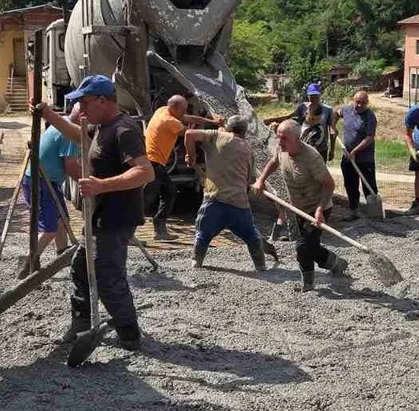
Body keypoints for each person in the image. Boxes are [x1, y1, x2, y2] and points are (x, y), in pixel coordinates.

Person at [39, 75, 154, 359]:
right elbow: (75, 134)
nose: (80, 107)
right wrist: (48, 114)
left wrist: (102, 185)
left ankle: (129, 333)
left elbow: (144, 172)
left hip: (116, 216)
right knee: (80, 268)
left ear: (103, 100)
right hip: (98, 214)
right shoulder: (101, 126)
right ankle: (81, 323)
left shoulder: (123, 129)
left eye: (84, 101)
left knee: (108, 276)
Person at [253, 120, 348, 292]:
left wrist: (320, 210)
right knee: (309, 247)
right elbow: (273, 162)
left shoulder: (311, 157)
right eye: (278, 137)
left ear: (297, 139)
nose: (279, 141)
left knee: (302, 247)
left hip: (318, 208)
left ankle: (308, 284)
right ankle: (334, 262)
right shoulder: (280, 148)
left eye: (284, 138)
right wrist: (261, 180)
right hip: (298, 208)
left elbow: (329, 185)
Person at [184, 115, 267, 271]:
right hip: (239, 203)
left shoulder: (216, 136)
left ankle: (196, 262)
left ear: (228, 128)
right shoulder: (248, 150)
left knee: (203, 234)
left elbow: (189, 134)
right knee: (251, 236)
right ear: (244, 132)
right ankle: (261, 266)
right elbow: (250, 180)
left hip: (214, 200)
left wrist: (192, 156)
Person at [262, 83, 335, 241]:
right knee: (292, 187)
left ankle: (313, 213)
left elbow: (328, 132)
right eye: (310, 96)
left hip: (314, 154)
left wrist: (332, 147)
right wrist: (272, 122)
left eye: (315, 95)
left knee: (312, 180)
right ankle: (289, 227)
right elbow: (289, 120)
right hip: (295, 153)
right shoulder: (302, 113)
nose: (312, 98)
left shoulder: (324, 119)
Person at [144, 95, 223, 240]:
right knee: (147, 198)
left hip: (154, 162)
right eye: (182, 110)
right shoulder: (170, 121)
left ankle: (159, 229)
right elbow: (190, 135)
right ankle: (127, 230)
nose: (184, 113)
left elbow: (190, 118)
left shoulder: (162, 110)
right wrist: (217, 134)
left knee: (168, 192)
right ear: (173, 108)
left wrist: (213, 121)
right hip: (153, 163)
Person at [25, 103, 83, 260]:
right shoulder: (69, 133)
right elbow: (71, 167)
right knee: (50, 229)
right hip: (41, 182)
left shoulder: (64, 122)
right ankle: (28, 261)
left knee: (62, 220)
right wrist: (87, 183)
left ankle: (62, 255)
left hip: (47, 181)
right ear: (82, 117)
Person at [333, 90, 377, 220]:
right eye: (357, 102)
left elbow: (369, 138)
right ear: (353, 100)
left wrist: (355, 152)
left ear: (367, 103)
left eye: (363, 103)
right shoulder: (347, 110)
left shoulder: (370, 117)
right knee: (350, 184)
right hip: (348, 157)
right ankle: (354, 212)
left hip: (365, 158)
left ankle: (374, 213)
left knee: (369, 185)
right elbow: (336, 114)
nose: (359, 105)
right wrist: (332, 126)